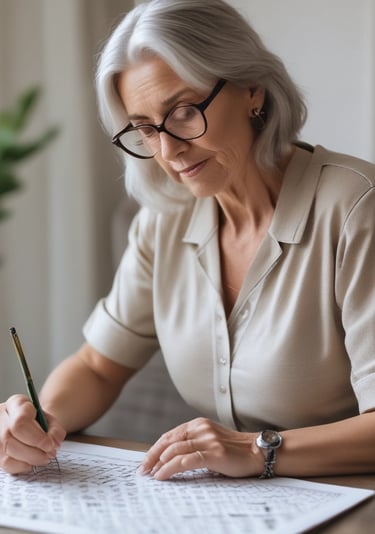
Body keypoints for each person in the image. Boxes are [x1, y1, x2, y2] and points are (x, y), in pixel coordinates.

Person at [1, 0, 375, 481]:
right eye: (144, 128)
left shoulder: (355, 209)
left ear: (252, 89)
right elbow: (98, 365)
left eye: (182, 112)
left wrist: (255, 450)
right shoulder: (165, 219)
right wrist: (41, 421)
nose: (168, 150)